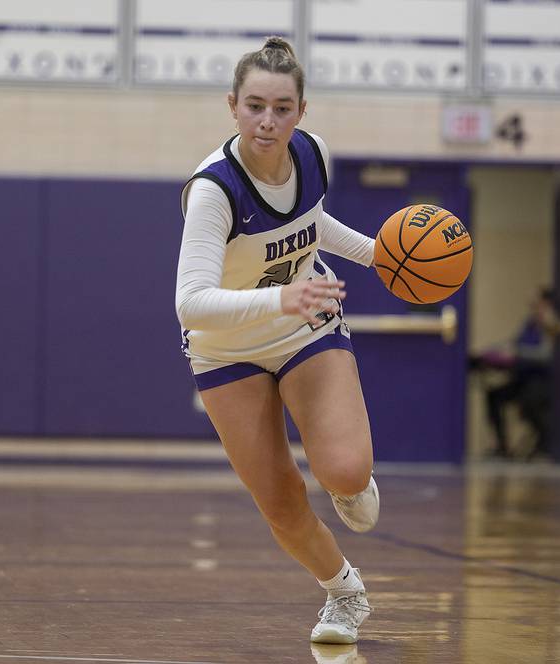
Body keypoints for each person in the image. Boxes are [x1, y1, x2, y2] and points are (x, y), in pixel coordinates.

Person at [175, 37, 379, 644]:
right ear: (233, 105)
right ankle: (344, 593)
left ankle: (350, 481)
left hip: (302, 327)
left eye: (282, 108)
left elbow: (308, 222)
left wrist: (378, 257)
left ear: (302, 111)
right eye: (255, 106)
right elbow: (190, 301)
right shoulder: (213, 190)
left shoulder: (313, 154)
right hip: (225, 344)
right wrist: (279, 296)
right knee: (281, 503)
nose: (268, 121)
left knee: (343, 471)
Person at [471, 288, 556, 459]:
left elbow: (546, 355)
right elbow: (513, 344)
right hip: (522, 379)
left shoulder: (552, 327)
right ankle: (502, 446)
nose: (534, 308)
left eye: (537, 304)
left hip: (541, 381)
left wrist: (518, 353)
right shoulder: (529, 323)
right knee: (494, 396)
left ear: (547, 305)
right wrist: (492, 352)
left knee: (531, 401)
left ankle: (546, 444)